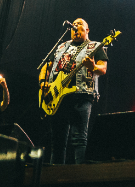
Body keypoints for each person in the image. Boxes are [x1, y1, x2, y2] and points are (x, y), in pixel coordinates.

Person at [42, 18, 108, 164]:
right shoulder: (61, 46)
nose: (75, 26)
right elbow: (47, 67)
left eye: (79, 24)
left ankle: (79, 174)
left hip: (82, 96)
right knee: (57, 142)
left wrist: (92, 67)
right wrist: (43, 82)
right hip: (57, 97)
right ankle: (54, 174)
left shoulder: (96, 46)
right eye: (74, 24)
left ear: (87, 30)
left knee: (79, 138)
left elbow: (103, 69)